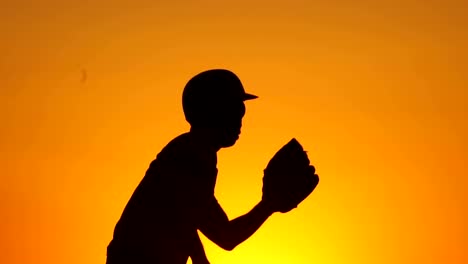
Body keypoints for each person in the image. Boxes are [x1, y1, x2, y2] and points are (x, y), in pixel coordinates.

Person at [106, 69, 315, 264]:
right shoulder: (189, 156)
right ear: (212, 112)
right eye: (234, 110)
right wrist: (268, 205)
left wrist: (268, 206)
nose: (240, 120)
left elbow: (224, 235)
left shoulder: (197, 155)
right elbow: (187, 222)